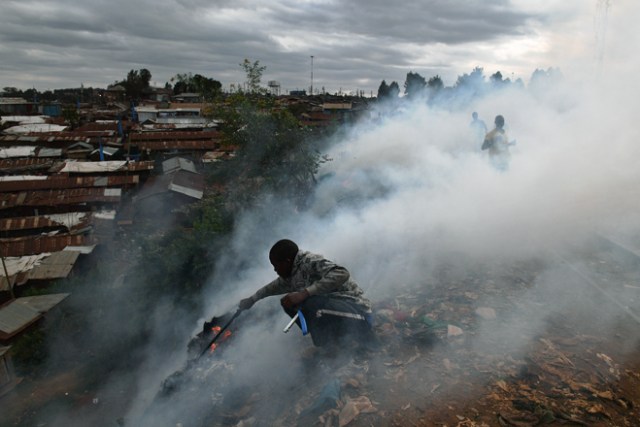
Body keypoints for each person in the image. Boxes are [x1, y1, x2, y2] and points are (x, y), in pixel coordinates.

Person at [239, 239, 374, 350]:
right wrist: (252, 299)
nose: (275, 269)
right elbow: (271, 288)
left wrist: (304, 293)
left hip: (358, 312)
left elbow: (342, 273)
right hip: (340, 314)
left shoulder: (310, 262)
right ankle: (332, 342)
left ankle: (365, 339)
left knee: (311, 303)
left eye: (276, 265)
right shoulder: (291, 274)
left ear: (286, 262)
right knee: (288, 302)